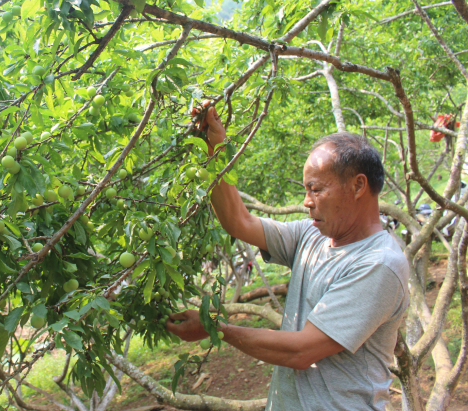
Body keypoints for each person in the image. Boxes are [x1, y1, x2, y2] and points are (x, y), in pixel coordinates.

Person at [166, 102, 410, 411]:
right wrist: (214, 147)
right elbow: (238, 222)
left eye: (315, 189)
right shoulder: (312, 236)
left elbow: (302, 352)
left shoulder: (379, 264)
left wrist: (218, 329)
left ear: (358, 185)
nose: (306, 201)